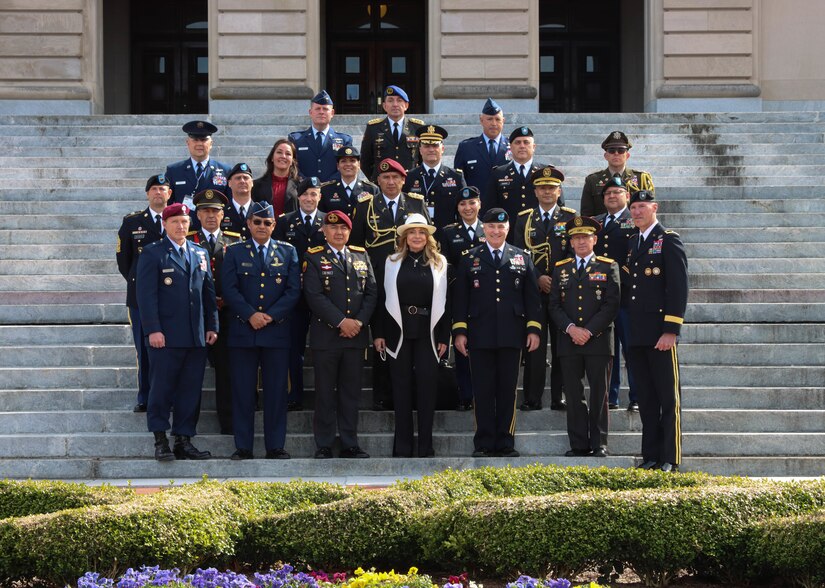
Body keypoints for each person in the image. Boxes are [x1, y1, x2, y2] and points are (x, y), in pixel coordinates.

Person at [452, 208, 542, 458]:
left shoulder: (522, 257)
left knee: (507, 390)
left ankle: (505, 441)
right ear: (484, 228)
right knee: (482, 390)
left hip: (512, 335)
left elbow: (532, 299)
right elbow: (460, 299)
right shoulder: (470, 258)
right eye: (490, 226)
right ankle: (483, 442)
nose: (495, 231)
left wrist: (533, 329)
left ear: (508, 228)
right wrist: (460, 331)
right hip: (479, 334)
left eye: (500, 227)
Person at [135, 202, 218, 461]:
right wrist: (153, 330)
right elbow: (146, 297)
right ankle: (160, 439)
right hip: (166, 337)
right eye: (175, 222)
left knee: (190, 390)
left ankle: (184, 439)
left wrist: (212, 325)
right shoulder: (152, 253)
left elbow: (208, 293)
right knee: (161, 389)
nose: (181, 226)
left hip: (195, 335)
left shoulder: (199, 252)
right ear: (165, 224)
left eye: (184, 221)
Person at [221, 202, 301, 460]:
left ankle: (275, 446)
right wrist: (250, 315)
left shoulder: (287, 252)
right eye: (257, 222)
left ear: (274, 225)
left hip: (276, 331)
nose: (262, 227)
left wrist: (270, 316)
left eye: (267, 223)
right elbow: (229, 289)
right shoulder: (233, 252)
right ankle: (243, 446)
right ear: (248, 224)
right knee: (243, 391)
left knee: (276, 393)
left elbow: (293, 291)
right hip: (243, 331)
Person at [350, 157, 430, 411]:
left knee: (411, 339)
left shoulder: (416, 203)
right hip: (378, 281)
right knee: (382, 338)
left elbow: (426, 239)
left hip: (410, 280)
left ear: (404, 180)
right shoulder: (365, 206)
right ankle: (383, 395)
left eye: (396, 177)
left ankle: (412, 393)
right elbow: (356, 246)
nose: (391, 181)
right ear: (378, 181)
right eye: (385, 177)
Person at [373, 214, 450, 457]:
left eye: (421, 232)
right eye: (412, 232)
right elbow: (380, 300)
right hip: (398, 330)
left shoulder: (440, 263)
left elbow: (447, 303)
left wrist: (443, 337)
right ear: (404, 237)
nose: (417, 236)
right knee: (401, 388)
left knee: (427, 389)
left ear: (428, 238)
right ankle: (403, 447)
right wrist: (379, 334)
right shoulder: (391, 261)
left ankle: (425, 446)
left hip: (429, 330)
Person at [303, 210, 377, 459]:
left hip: (355, 337)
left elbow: (371, 293)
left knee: (350, 393)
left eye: (343, 228)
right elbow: (313, 295)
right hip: (326, 337)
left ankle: (349, 443)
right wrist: (341, 321)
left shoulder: (361, 255)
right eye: (333, 228)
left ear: (349, 231)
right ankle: (323, 443)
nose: (338, 232)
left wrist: (357, 322)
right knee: (325, 392)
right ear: (324, 231)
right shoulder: (313, 257)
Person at [623, 190, 688, 473]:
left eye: (641, 207)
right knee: (646, 399)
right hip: (637, 334)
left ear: (654, 207)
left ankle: (670, 458)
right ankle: (650, 455)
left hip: (660, 334)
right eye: (633, 207)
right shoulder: (633, 241)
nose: (636, 212)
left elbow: (678, 288)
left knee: (667, 398)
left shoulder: (668, 239)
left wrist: (671, 329)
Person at [548, 216, 620, 458]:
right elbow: (554, 305)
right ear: (570, 241)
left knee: (599, 393)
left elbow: (611, 305)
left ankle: (600, 443)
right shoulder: (561, 268)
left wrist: (588, 331)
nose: (580, 241)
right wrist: (571, 329)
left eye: (585, 237)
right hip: (568, 341)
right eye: (576, 237)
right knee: (574, 394)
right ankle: (578, 443)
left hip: (598, 340)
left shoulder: (608, 266)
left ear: (594, 239)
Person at [514, 166, 576, 411]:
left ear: (559, 191)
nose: (547, 192)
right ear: (535, 191)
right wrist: (538, 277)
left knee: (562, 348)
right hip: (534, 293)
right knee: (534, 347)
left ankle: (558, 396)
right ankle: (532, 397)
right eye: (542, 188)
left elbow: (575, 254)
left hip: (561, 293)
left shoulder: (570, 218)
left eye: (552, 188)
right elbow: (519, 255)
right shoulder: (524, 219)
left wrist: (556, 280)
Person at [186, 188, 242, 434]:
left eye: (215, 211)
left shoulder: (235, 240)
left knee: (228, 373)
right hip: (195, 316)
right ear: (197, 215)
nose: (211, 216)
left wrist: (226, 300)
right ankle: (187, 428)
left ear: (223, 214)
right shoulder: (187, 240)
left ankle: (228, 425)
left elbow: (242, 278)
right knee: (191, 374)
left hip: (227, 315)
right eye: (205, 211)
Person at [116, 173, 172, 413]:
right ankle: (146, 396)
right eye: (155, 189)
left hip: (172, 296)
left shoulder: (180, 219)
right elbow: (124, 262)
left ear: (170, 193)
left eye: (163, 189)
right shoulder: (132, 223)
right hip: (140, 298)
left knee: (172, 349)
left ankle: (169, 395)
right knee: (144, 347)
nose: (159, 193)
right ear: (148, 193)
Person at [273, 177, 326, 411]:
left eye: (313, 194)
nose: (309, 199)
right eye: (305, 194)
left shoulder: (329, 221)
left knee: (325, 349)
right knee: (293, 348)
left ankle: (324, 396)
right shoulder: (285, 222)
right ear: (298, 197)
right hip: (295, 297)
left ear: (319, 197)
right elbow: (279, 258)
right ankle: (294, 394)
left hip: (324, 296)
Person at [594, 176, 639, 411]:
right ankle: (610, 397)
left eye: (617, 192)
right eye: (608, 193)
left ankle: (637, 396)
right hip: (601, 297)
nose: (612, 196)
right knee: (607, 351)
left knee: (631, 348)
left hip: (627, 294)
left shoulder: (635, 220)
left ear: (627, 196)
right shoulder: (595, 222)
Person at [439, 186, 485, 411]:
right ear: (457, 208)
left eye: (472, 203)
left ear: (479, 204)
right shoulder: (449, 232)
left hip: (486, 297)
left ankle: (483, 394)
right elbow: (445, 263)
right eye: (463, 204)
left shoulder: (490, 229)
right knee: (461, 345)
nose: (468, 208)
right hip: (459, 297)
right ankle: (466, 395)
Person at [486, 126, 560, 236]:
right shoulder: (499, 173)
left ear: (534, 147)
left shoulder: (546, 172)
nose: (522, 146)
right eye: (517, 142)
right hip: (509, 234)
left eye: (526, 142)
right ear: (510, 147)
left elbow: (559, 207)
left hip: (541, 234)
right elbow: (490, 207)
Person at [403, 124, 466, 234]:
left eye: (435, 146)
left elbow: (464, 209)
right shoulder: (409, 177)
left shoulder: (456, 177)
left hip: (447, 235)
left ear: (442, 149)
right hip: (419, 235)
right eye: (427, 146)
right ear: (420, 149)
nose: (431, 149)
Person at [580, 131, 654, 217]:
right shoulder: (593, 180)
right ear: (606, 156)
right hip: (604, 228)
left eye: (621, 150)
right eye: (611, 151)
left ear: (627, 155)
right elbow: (586, 215)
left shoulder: (641, 178)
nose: (616, 153)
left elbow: (649, 211)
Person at [165, 120, 231, 214]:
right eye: (195, 140)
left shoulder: (225, 170)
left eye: (204, 140)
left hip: (213, 226)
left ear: (211, 143)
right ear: (188, 143)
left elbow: (229, 205)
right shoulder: (174, 171)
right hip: (185, 226)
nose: (199, 144)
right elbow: (168, 204)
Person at [360, 85, 424, 180]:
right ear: (384, 106)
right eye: (390, 100)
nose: (395, 104)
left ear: (406, 105)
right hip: (383, 184)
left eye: (399, 100)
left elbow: (423, 159)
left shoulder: (417, 127)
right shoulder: (373, 128)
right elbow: (365, 161)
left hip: (410, 182)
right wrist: (377, 179)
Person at [453, 98, 510, 204]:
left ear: (503, 121)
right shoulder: (466, 147)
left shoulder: (513, 146)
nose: (494, 123)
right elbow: (459, 182)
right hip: (476, 210)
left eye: (497, 119)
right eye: (489, 119)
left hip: (506, 208)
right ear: (481, 120)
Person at [288, 90, 353, 181]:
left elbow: (348, 166)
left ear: (332, 113)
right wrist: (309, 185)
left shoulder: (344, 140)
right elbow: (292, 165)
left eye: (325, 109)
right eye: (318, 109)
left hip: (334, 191)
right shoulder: (296, 139)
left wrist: (327, 185)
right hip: (304, 191)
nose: (321, 112)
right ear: (311, 112)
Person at [319, 146, 378, 218]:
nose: (348, 164)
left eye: (352, 160)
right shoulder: (326, 190)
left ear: (359, 165)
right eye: (343, 161)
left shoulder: (371, 189)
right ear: (338, 166)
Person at [252, 138, 301, 216]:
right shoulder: (256, 185)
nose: (283, 156)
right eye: (279, 152)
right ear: (272, 157)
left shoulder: (300, 185)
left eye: (288, 154)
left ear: (293, 161)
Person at [221, 162, 255, 241]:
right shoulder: (222, 212)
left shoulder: (259, 211)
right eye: (238, 178)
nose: (242, 181)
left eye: (246, 178)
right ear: (229, 183)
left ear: (252, 183)